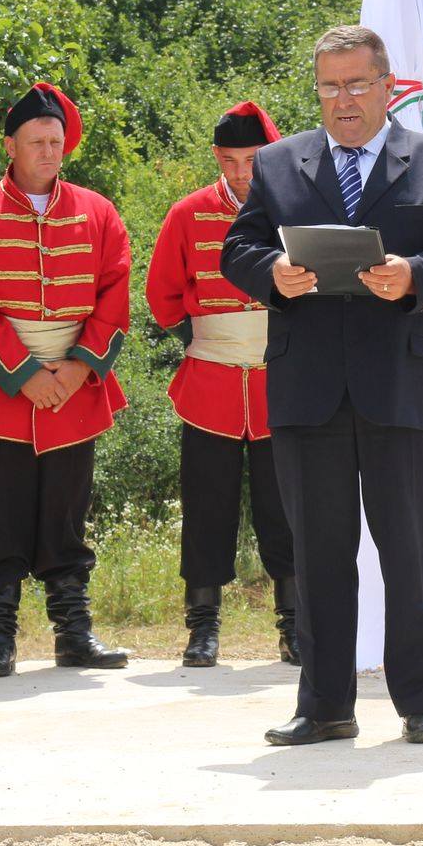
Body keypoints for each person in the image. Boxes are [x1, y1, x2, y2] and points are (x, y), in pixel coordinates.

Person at [221, 24, 423, 746]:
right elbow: (238, 249)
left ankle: (420, 704)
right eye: (329, 87)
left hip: (399, 386)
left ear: (386, 85)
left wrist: (415, 275)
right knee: (319, 555)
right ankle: (324, 707)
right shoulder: (279, 163)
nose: (342, 100)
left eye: (356, 84)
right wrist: (272, 275)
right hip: (307, 389)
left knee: (409, 552)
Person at [0, 81, 132, 677]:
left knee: (67, 516)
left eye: (56, 142)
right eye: (37, 142)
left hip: (74, 385)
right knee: (1, 516)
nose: (50, 152)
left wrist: (77, 368)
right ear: (11, 146)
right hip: (2, 386)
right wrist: (24, 375)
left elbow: (114, 294)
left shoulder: (98, 212)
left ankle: (73, 634)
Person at [145, 101, 299, 668]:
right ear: (216, 157)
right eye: (229, 161)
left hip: (282, 381)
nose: (240, 173)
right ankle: (202, 629)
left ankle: (295, 626)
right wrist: (206, 332)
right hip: (209, 382)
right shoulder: (187, 213)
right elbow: (161, 295)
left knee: (286, 508)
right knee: (206, 508)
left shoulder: (297, 210)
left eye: (252, 160)